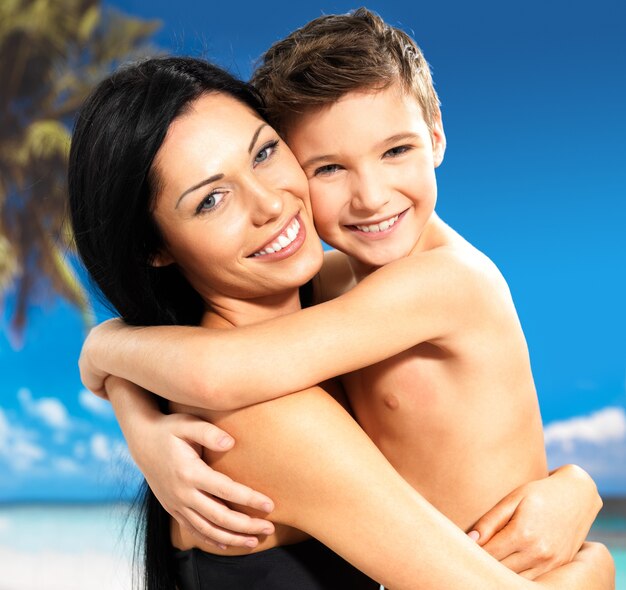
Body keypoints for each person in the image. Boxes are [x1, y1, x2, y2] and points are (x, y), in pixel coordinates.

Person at [79, 8, 607, 578]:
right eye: (328, 167)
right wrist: (595, 569)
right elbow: (217, 374)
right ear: (153, 245)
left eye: (262, 154)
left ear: (436, 137)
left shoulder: (402, 287)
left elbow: (216, 368)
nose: (372, 196)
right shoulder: (285, 378)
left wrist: (113, 365)